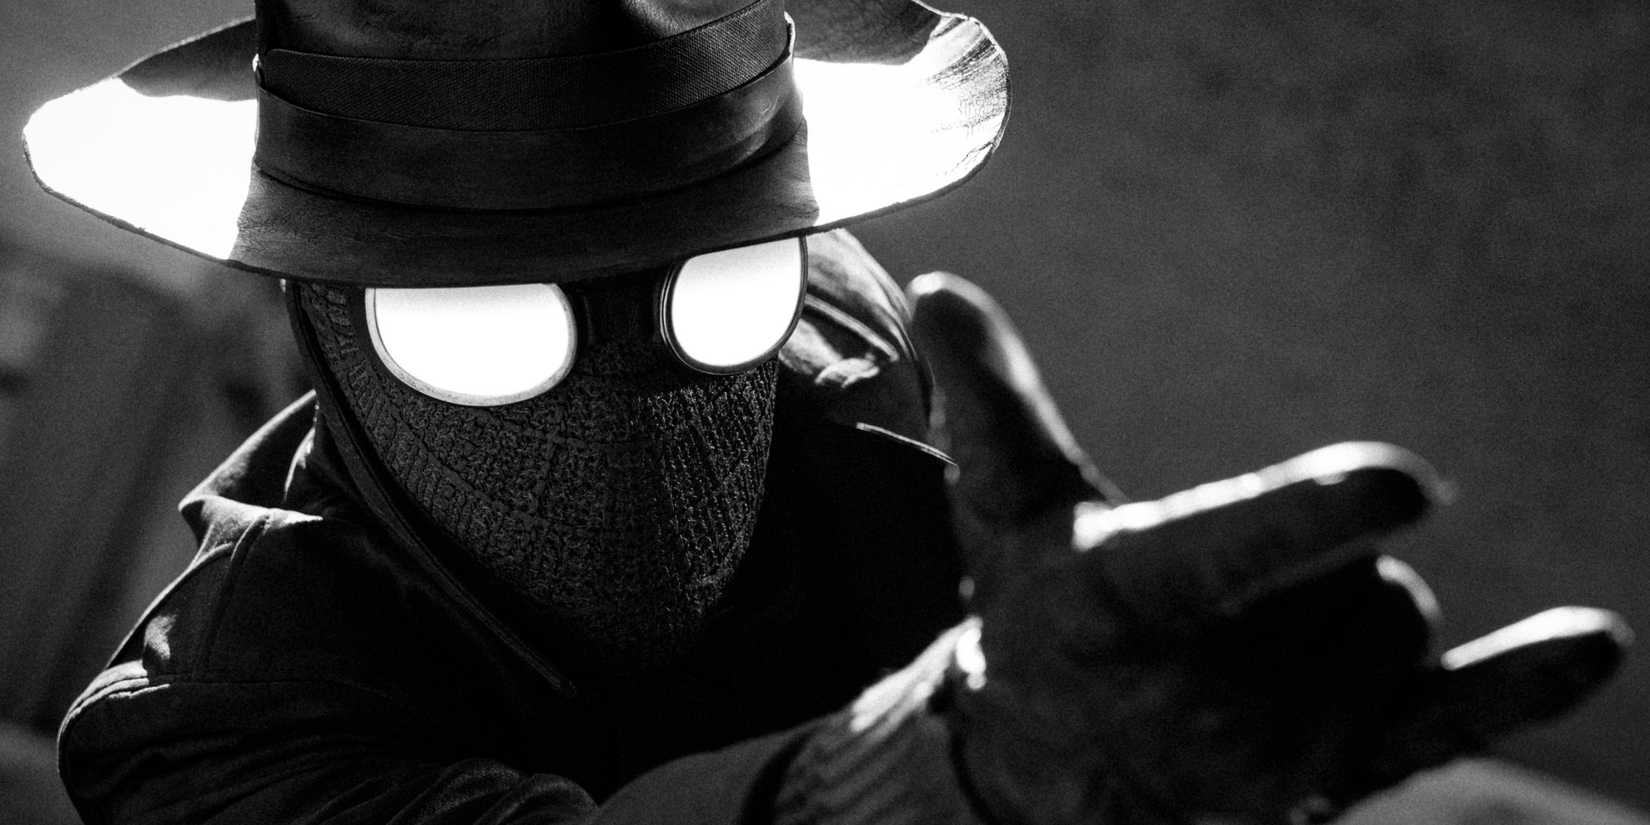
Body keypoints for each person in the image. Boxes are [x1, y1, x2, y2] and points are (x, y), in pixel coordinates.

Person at [23, 0, 1629, 823]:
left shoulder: (844, 340)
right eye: (484, 320)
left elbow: (1050, 632)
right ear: (325, 319)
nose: (631, 377)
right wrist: (947, 775)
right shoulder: (206, 737)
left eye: (706, 286)